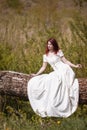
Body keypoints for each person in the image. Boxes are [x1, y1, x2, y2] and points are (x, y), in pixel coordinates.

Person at [27, 38, 82, 118]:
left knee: (55, 79)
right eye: (48, 44)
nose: (49, 46)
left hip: (64, 70)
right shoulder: (45, 55)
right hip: (56, 71)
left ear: (54, 45)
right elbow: (43, 67)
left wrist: (75, 66)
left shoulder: (58, 51)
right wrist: (36, 74)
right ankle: (54, 104)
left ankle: (62, 104)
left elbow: (66, 61)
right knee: (49, 79)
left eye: (50, 44)